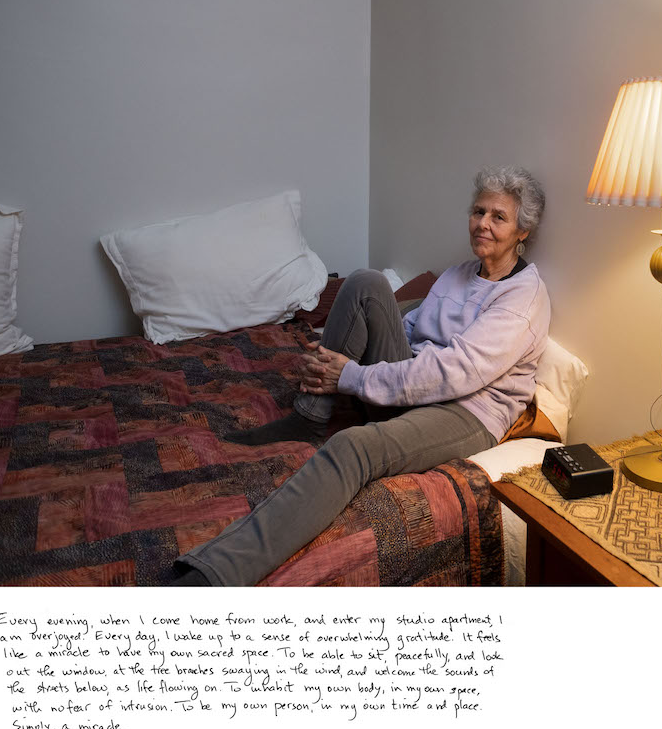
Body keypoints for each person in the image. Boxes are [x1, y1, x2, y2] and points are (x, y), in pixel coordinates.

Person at [170, 165, 550, 585]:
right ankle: (310, 413)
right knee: (366, 282)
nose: (482, 224)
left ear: (522, 232)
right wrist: (338, 359)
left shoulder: (523, 298)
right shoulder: (458, 273)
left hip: (466, 410)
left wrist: (350, 376)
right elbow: (413, 327)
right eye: (478, 211)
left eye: (498, 217)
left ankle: (212, 575)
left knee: (353, 447)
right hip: (415, 383)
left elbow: (454, 374)